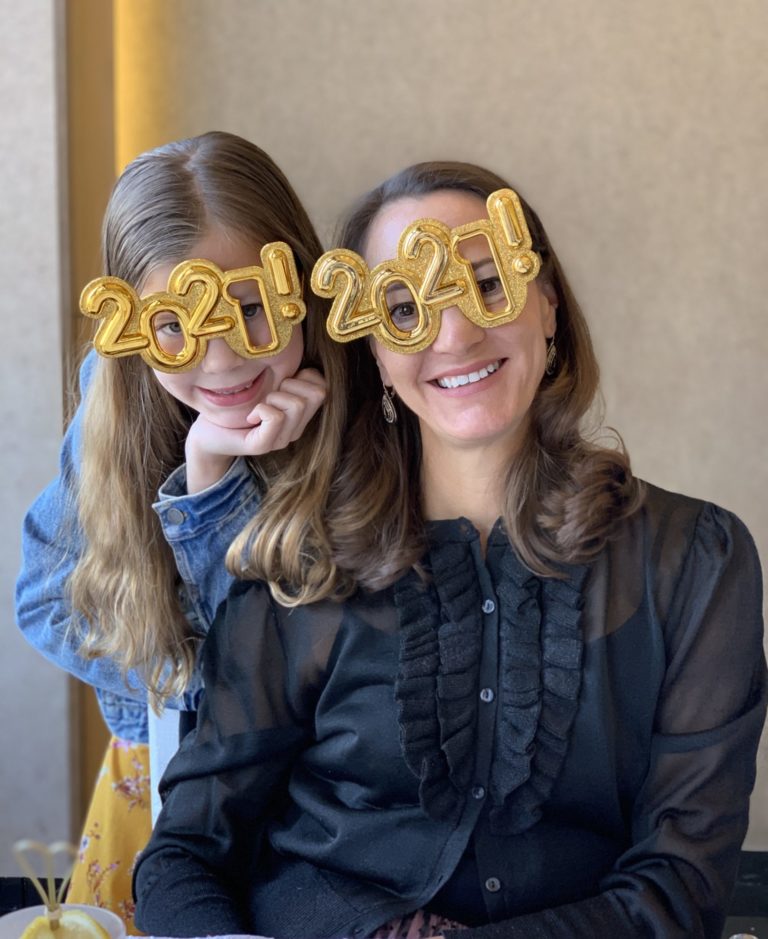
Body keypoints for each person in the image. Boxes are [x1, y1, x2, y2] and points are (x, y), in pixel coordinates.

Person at [134, 162, 766, 939]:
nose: (455, 332)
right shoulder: (300, 560)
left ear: (548, 303)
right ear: (374, 349)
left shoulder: (696, 561)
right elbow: (187, 853)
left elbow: (681, 883)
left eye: (488, 283)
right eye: (404, 307)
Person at [15, 130, 344, 933]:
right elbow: (45, 596)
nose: (222, 359)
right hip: (159, 785)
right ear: (129, 324)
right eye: (174, 325)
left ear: (299, 286)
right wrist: (180, 686)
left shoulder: (366, 405)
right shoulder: (117, 398)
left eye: (252, 309)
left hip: (323, 805)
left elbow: (303, 662)